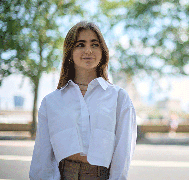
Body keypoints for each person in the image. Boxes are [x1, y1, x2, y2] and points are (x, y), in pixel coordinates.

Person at [29, 21, 137, 180]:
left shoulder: (119, 97)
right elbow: (42, 155)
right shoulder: (51, 101)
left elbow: (124, 150)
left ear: (103, 51)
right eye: (80, 44)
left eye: (95, 44)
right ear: (70, 52)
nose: (88, 50)